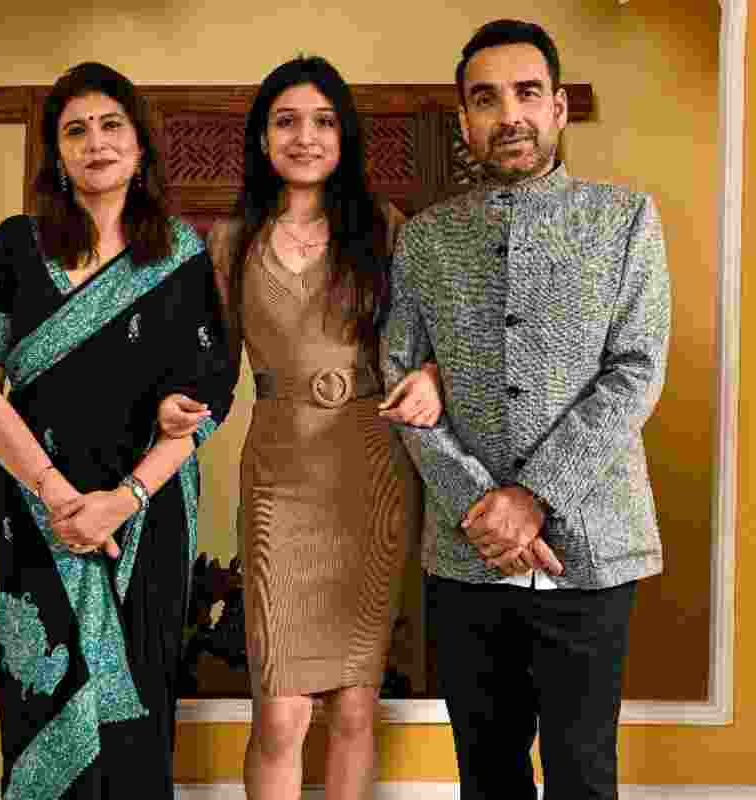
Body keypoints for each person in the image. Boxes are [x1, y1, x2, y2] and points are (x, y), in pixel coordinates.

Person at [380, 20, 672, 800]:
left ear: (559, 109)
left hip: (594, 544)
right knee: (487, 772)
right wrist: (482, 505)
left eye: (527, 93)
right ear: (465, 121)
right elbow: (401, 378)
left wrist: (532, 498)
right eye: (486, 99)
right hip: (465, 551)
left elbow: (635, 371)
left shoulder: (626, 220)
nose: (509, 113)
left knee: (583, 770)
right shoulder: (426, 241)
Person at [157, 56, 444, 800]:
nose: (305, 137)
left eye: (322, 121)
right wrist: (173, 405)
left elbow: (435, 344)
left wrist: (435, 379)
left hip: (374, 470)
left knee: (355, 705)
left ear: (344, 136)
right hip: (282, 479)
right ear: (261, 139)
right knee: (279, 712)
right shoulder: (228, 242)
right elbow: (203, 364)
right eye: (286, 121)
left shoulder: (384, 231)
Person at [0, 62, 237, 800]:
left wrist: (127, 495)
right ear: (56, 153)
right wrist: (54, 493)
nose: (96, 142)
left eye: (113, 125)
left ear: (140, 146)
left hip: (144, 511)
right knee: (35, 688)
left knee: (139, 698)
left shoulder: (180, 256)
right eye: (75, 130)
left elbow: (208, 397)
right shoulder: (16, 246)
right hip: (34, 507)